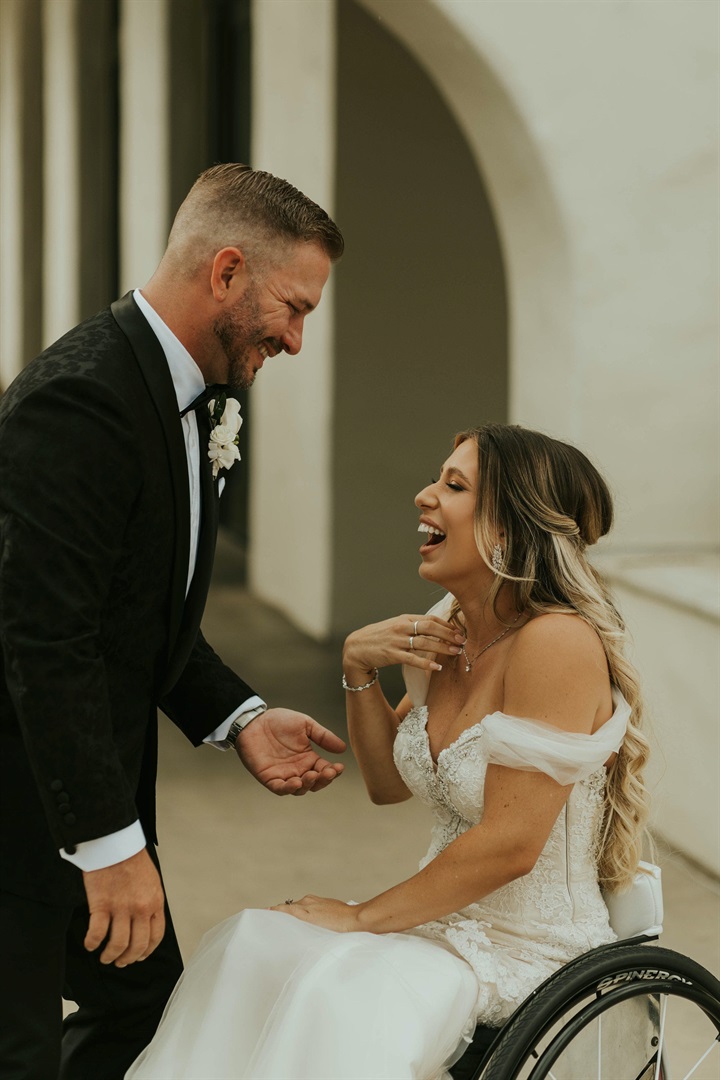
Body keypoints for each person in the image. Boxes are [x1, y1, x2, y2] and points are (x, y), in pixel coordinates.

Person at [125, 423, 652, 1080]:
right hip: (431, 926)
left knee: (332, 999)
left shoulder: (556, 643)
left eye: (454, 486)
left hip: (524, 953)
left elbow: (513, 844)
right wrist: (358, 667)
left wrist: (361, 918)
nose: (423, 497)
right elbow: (386, 781)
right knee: (249, 947)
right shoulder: (451, 628)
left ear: (507, 529)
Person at [0, 163, 347, 1080]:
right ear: (226, 270)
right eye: (294, 306)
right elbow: (44, 638)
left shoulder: (192, 395)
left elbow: (135, 615)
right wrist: (111, 850)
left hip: (85, 799)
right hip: (25, 801)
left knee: (141, 1019)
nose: (299, 339)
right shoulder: (80, 400)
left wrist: (238, 717)